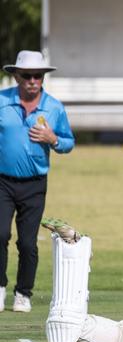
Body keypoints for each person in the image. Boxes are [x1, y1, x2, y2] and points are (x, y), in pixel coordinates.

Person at [0, 50, 75, 313]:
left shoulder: (54, 107)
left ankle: (23, 293)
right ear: (16, 76)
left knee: (28, 243)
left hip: (34, 184)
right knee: (0, 234)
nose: (33, 80)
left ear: (43, 78)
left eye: (38, 76)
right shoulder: (1, 101)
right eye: (27, 75)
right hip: (2, 182)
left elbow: (68, 143)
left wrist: (53, 139)